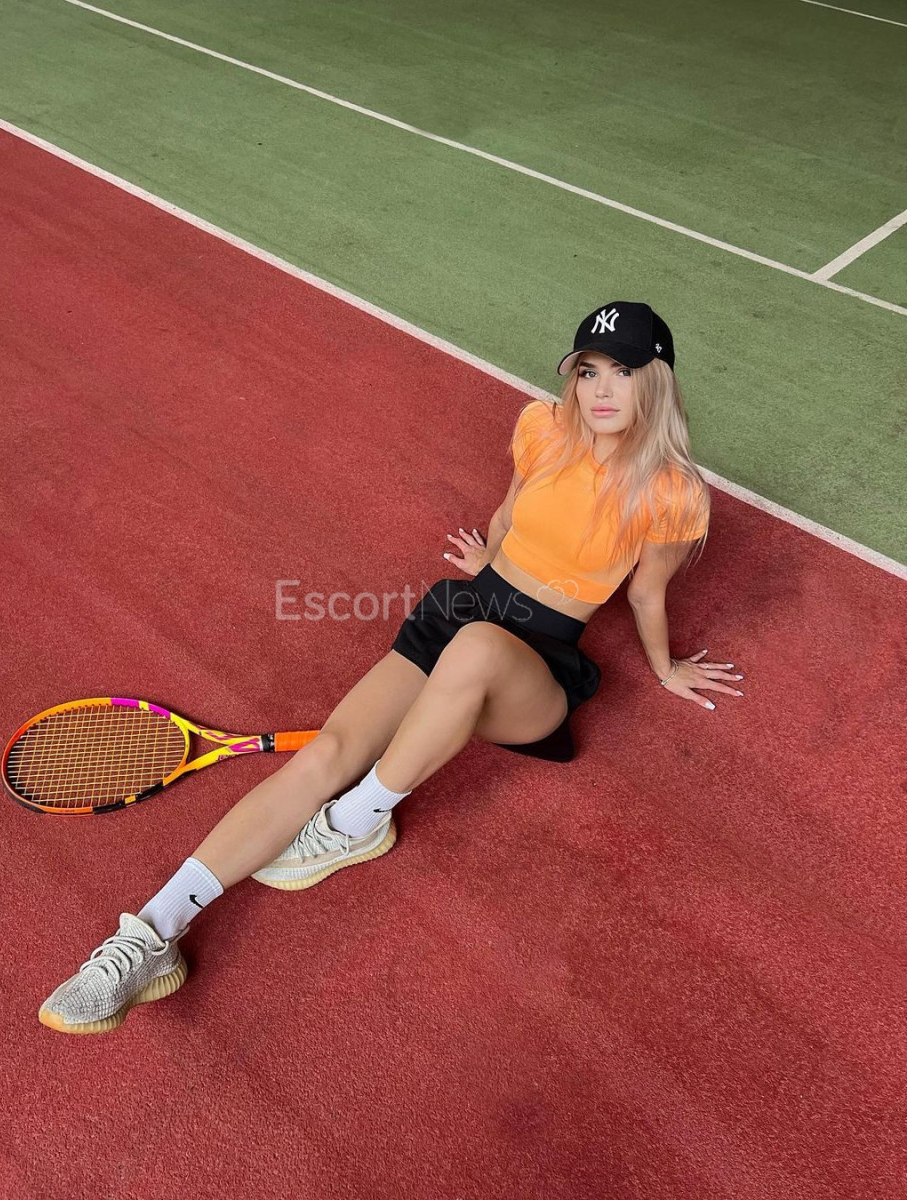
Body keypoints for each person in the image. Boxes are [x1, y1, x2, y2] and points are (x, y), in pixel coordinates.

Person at [37, 300, 744, 1035]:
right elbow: (508, 514)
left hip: (536, 674)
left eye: (623, 371)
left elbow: (647, 593)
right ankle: (151, 935)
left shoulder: (670, 491)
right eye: (589, 371)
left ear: (655, 381)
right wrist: (494, 564)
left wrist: (665, 670)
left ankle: (357, 820)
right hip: (470, 616)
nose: (600, 389)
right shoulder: (544, 429)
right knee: (328, 752)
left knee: (476, 648)